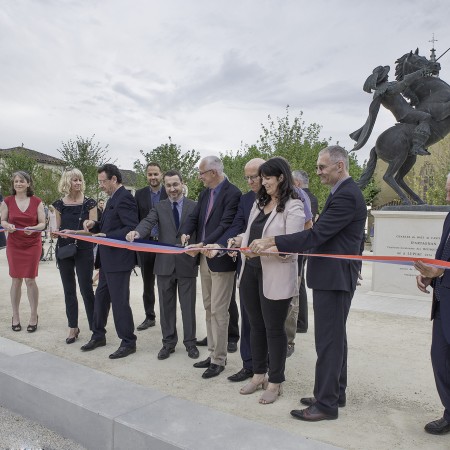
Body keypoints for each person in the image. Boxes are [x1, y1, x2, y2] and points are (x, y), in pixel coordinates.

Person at [250, 145, 366, 420]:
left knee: (328, 341)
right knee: (335, 339)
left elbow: (316, 235)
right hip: (334, 275)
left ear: (340, 166)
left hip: (334, 278)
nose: (318, 172)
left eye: (322, 167)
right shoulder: (342, 192)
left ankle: (326, 405)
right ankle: (334, 391)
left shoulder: (347, 195)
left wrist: (273, 240)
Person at [233, 157, 304, 404]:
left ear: (281, 178)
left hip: (275, 274)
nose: (263, 183)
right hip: (250, 271)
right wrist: (238, 241)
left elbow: (291, 246)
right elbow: (254, 234)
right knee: (255, 326)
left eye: (267, 178)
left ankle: (275, 381)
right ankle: (258, 374)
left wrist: (261, 249)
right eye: (261, 178)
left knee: (274, 330)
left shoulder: (294, 205)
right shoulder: (258, 204)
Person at [204, 158, 266, 383]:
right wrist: (227, 243)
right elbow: (237, 225)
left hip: (272, 267)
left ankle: (269, 369)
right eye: (247, 177)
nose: (249, 181)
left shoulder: (282, 198)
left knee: (268, 320)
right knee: (248, 318)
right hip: (247, 265)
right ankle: (249, 365)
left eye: (254, 177)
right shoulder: (246, 199)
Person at [126, 170, 200, 360]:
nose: (172, 189)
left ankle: (190, 343)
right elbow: (147, 223)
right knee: (166, 307)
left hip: (187, 264)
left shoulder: (195, 206)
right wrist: (137, 233)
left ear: (183, 184)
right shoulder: (159, 207)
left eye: (175, 184)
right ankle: (168, 343)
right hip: (165, 264)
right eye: (168, 185)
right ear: (164, 187)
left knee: (188, 307)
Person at [181, 156, 241, 379]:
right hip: (205, 258)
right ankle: (212, 352)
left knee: (219, 309)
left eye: (202, 173)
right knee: (208, 307)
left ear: (214, 172)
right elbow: (194, 217)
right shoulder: (205, 193)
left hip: (221, 258)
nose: (200, 177)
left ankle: (220, 359)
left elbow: (226, 224)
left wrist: (206, 244)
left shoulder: (232, 193)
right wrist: (186, 232)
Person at [81, 164, 139, 359]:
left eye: (103, 181)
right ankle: (98, 335)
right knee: (101, 298)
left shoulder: (125, 199)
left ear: (114, 179)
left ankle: (128, 341)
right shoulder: (112, 198)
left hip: (119, 259)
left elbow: (131, 228)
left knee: (119, 301)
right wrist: (95, 225)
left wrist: (107, 235)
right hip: (107, 259)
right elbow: (108, 226)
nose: (101, 185)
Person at [415, 173, 450, 435]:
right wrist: (429, 275)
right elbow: (443, 258)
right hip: (442, 303)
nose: (446, 196)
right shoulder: (449, 217)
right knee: (439, 359)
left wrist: (442, 272)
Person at [53, 168, 97, 344]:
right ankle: (73, 326)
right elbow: (56, 229)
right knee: (68, 289)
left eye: (80, 180)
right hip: (64, 249)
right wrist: (56, 234)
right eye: (74, 180)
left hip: (84, 248)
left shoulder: (90, 203)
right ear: (67, 182)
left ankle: (96, 327)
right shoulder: (58, 204)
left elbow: (92, 232)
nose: (78, 183)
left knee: (86, 287)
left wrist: (72, 232)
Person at [350, 65, 432, 156]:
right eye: (385, 74)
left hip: (407, 111)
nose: (387, 75)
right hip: (406, 114)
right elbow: (402, 84)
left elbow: (403, 88)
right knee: (426, 117)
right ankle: (416, 147)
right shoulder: (386, 89)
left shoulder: (386, 87)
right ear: (382, 78)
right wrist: (419, 72)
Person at [0, 171, 46, 332]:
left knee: (30, 280)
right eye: (15, 181)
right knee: (16, 280)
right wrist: (7, 225)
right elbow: (3, 220)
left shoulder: (37, 202)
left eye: (21, 181)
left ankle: (34, 315)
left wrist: (33, 228)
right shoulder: (7, 201)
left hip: (33, 243)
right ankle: (15, 316)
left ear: (28, 183)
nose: (18, 184)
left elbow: (42, 224)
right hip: (14, 244)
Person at [134, 162, 168, 331]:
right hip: (146, 244)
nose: (153, 177)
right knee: (148, 283)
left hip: (164, 244)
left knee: (165, 283)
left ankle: (167, 318)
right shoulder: (139, 194)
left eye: (156, 174)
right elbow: (136, 219)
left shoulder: (169, 191)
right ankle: (150, 317)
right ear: (146, 175)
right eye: (150, 174)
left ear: (161, 175)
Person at [292, 170, 319, 334]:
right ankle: (301, 321)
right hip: (304, 246)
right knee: (299, 281)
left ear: (297, 183)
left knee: (298, 281)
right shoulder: (313, 197)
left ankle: (301, 322)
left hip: (300, 246)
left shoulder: (304, 197)